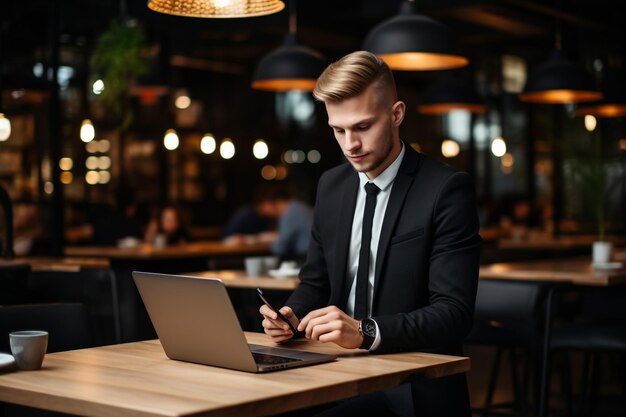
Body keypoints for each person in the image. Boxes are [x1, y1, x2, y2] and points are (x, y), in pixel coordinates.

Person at [259, 51, 481, 417]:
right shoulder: (331, 186)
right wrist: (291, 316)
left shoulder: (446, 190)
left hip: (409, 386)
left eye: (363, 127)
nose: (350, 145)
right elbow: (315, 283)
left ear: (396, 114)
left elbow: (454, 313)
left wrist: (365, 331)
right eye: (338, 130)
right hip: (331, 373)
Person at [270, 184, 313, 264]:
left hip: (305, 257)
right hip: (318, 253)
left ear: (279, 202)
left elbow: (282, 246)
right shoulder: (303, 206)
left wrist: (270, 247)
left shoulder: (289, 212)